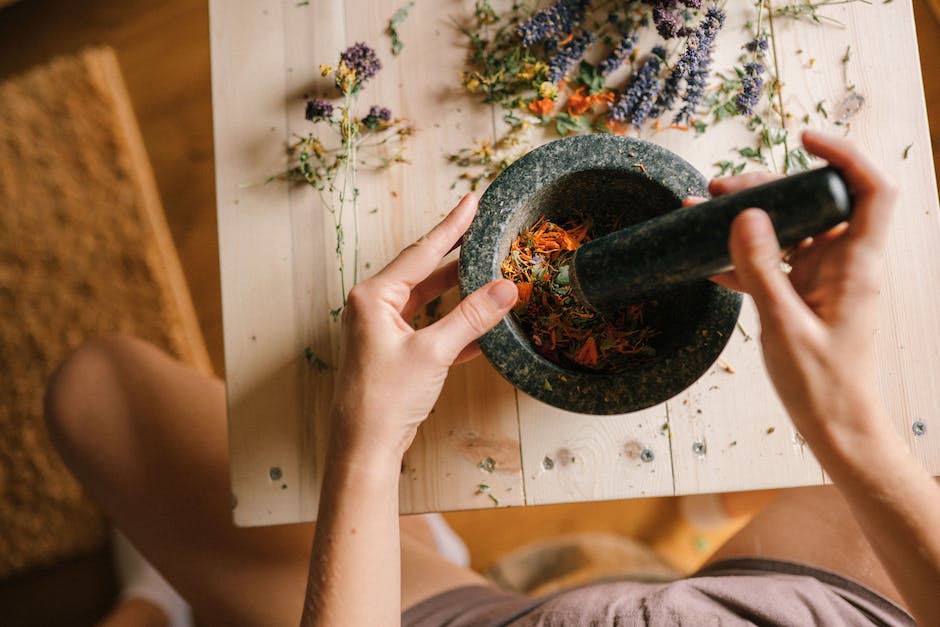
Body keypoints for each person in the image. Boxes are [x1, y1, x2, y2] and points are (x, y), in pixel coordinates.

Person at [44, 130, 939, 626]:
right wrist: (855, 434)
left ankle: (151, 608)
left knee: (92, 389)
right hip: (825, 602)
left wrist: (367, 443)